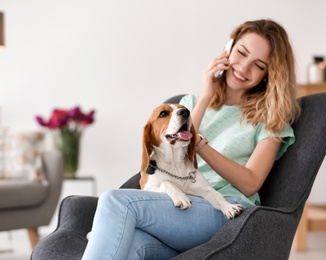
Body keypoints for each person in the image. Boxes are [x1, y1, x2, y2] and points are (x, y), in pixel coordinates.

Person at [82, 18, 300, 260]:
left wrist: (202, 146)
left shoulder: (270, 119)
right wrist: (206, 95)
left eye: (258, 65)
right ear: (228, 49)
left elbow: (251, 183)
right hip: (178, 205)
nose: (244, 68)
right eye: (241, 52)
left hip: (224, 209)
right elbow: (172, 149)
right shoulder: (191, 104)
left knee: (115, 201)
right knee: (132, 248)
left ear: (269, 74)